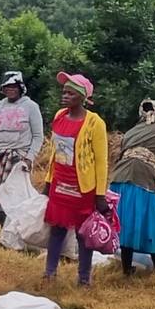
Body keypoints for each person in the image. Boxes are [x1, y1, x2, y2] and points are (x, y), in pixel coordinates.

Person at [38, 73, 110, 287]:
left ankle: (84, 278)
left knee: (82, 233)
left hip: (82, 187)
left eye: (70, 93)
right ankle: (49, 273)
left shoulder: (95, 123)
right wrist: (48, 181)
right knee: (57, 228)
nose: (65, 96)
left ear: (82, 97)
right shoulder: (60, 116)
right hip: (60, 182)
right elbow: (54, 152)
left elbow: (101, 161)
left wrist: (100, 194)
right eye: (64, 92)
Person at [112, 99, 155, 276]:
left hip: (118, 179)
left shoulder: (131, 132)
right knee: (150, 224)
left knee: (125, 225)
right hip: (141, 180)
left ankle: (127, 270)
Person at [0, 71, 45, 220]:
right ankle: (4, 231)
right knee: (1, 197)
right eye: (7, 87)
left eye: (13, 86)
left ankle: (18, 232)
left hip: (19, 158)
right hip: (0, 158)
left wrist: (29, 158)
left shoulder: (31, 106)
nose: (10, 89)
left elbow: (38, 136)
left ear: (20, 87)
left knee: (18, 197)